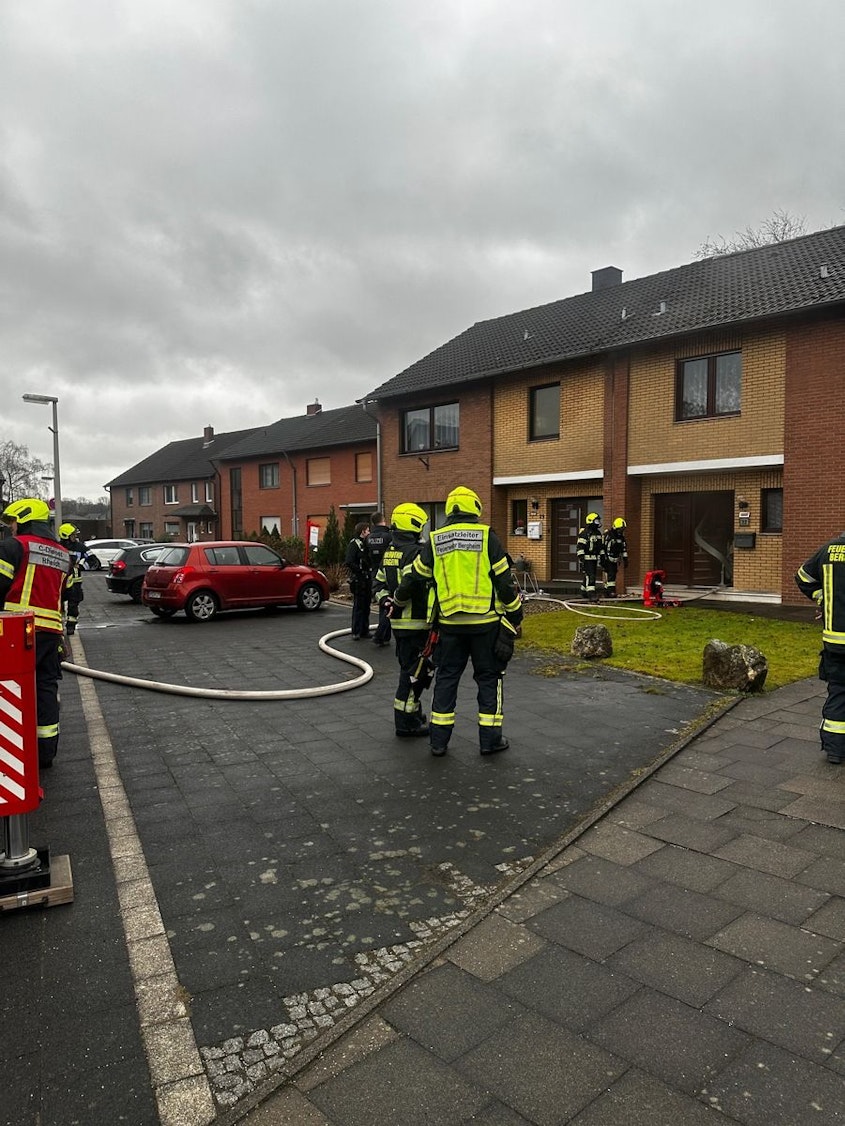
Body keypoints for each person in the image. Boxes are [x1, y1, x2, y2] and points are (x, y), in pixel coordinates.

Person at [394, 485, 523, 757]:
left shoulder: (435, 539)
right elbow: (504, 583)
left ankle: (438, 742)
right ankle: (490, 741)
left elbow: (414, 577)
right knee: (489, 679)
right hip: (486, 625)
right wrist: (514, 616)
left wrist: (398, 600)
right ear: (475, 508)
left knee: (446, 678)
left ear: (450, 510)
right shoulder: (487, 536)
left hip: (450, 626)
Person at [0, 499, 71, 769]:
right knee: (45, 688)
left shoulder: (14, 546)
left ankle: (10, 750)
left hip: (15, 631)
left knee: (9, 686)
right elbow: (62, 595)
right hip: (51, 633)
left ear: (24, 518)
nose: (11, 527)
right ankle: (45, 751)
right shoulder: (63, 554)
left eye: (12, 522)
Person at [374, 502, 432, 737]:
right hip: (416, 623)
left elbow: (378, 584)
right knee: (414, 673)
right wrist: (396, 601)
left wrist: (386, 601)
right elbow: (413, 584)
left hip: (398, 624)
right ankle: (406, 723)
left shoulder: (390, 552)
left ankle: (414, 713)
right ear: (413, 525)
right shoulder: (415, 553)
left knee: (412, 670)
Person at [796, 530, 845, 764]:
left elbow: (802, 577)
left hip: (835, 641)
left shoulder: (828, 550)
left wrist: (822, 598)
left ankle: (835, 749)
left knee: (838, 691)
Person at [59, 522, 92, 634]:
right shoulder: (56, 547)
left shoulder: (80, 547)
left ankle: (71, 626)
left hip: (75, 582)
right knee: (57, 604)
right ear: (65, 535)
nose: (75, 537)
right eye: (73, 535)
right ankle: (58, 625)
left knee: (73, 605)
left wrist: (81, 566)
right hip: (60, 581)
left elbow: (94, 561)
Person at [366, 510, 393, 647]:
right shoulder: (389, 536)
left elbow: (366, 555)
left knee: (383, 602)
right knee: (389, 604)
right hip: (387, 571)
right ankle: (380, 635)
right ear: (383, 520)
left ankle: (385, 636)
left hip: (374, 572)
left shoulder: (368, 538)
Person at [344, 521, 371, 639]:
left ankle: (365, 630)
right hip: (358, 579)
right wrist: (359, 570)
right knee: (359, 606)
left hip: (367, 578)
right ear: (363, 531)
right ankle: (356, 631)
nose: (369, 532)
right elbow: (349, 561)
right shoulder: (354, 544)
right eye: (368, 530)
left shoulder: (366, 544)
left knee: (366, 605)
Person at [576, 512, 603, 601]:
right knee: (591, 576)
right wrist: (581, 557)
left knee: (589, 575)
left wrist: (602, 556)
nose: (598, 523)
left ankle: (583, 591)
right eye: (596, 521)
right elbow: (580, 546)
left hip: (594, 558)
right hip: (587, 558)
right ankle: (591, 593)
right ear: (591, 521)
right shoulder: (585, 533)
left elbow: (600, 546)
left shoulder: (598, 533)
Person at [602, 517, 628, 598]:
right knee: (610, 575)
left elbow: (623, 549)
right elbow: (603, 548)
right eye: (620, 529)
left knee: (612, 575)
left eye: (622, 529)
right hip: (607, 559)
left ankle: (607, 591)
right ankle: (611, 591)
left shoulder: (621, 537)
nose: (621, 531)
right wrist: (603, 558)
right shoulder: (609, 536)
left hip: (615, 559)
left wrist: (625, 559)